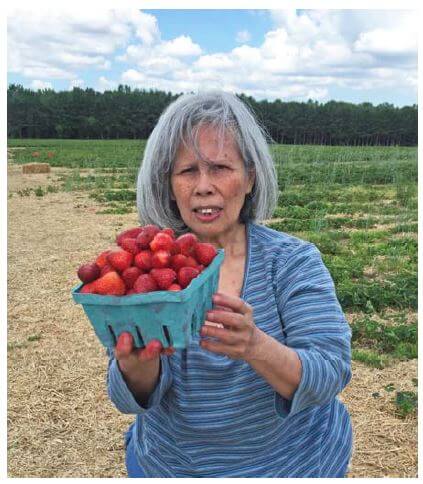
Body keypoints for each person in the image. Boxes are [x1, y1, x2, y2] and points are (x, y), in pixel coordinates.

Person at [106, 91, 353, 478]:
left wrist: (257, 347)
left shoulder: (291, 262)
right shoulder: (151, 269)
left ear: (250, 177)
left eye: (220, 167)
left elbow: (330, 372)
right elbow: (129, 398)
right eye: (187, 171)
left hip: (292, 465)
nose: (203, 186)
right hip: (175, 466)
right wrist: (137, 367)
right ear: (169, 184)